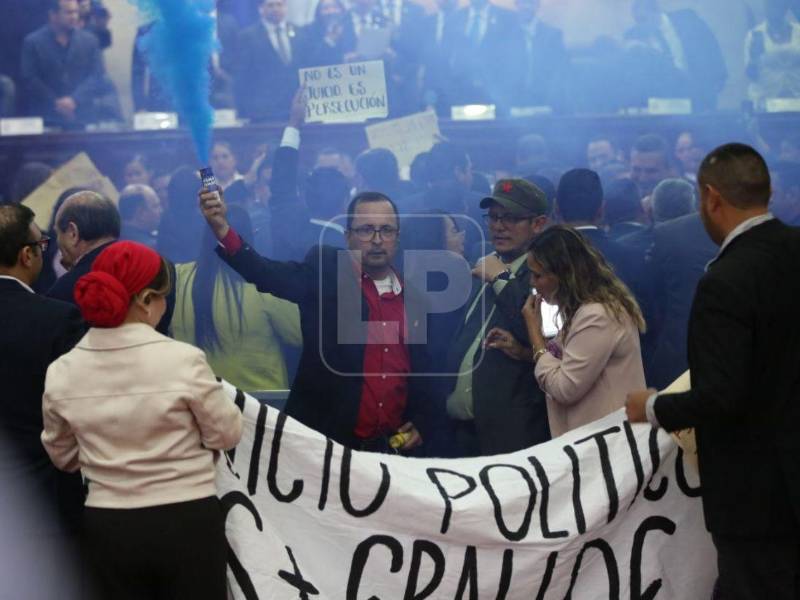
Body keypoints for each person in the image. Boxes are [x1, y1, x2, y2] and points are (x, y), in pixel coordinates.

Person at [626, 143, 800, 599]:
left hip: (756, 496)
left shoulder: (725, 279)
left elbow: (722, 394)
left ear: (710, 197)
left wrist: (654, 406)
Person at [41, 241, 242, 599]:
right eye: (165, 296)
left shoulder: (63, 370)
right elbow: (226, 433)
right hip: (188, 519)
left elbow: (63, 457)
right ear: (147, 300)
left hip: (109, 524)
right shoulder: (183, 359)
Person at [200, 187, 438, 453]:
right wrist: (222, 229)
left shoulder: (415, 300)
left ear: (398, 237)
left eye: (386, 230)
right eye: (366, 229)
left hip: (390, 452)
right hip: (325, 448)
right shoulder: (327, 271)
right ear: (348, 237)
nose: (377, 239)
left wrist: (423, 421)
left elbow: (424, 375)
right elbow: (267, 274)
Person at [489, 225, 645, 437]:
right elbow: (567, 363)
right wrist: (522, 352)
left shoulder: (597, 315)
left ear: (564, 275)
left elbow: (565, 388)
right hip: (597, 438)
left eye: (538, 275)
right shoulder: (584, 308)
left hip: (606, 442)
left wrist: (533, 330)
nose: (532, 283)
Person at [445, 179, 550, 456]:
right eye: (494, 217)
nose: (499, 226)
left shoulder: (549, 273)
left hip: (512, 438)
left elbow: (540, 335)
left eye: (512, 218)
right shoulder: (486, 264)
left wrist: (501, 279)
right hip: (461, 433)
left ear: (538, 224)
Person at [0, 204, 86, 535]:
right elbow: (74, 407)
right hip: (44, 495)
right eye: (41, 244)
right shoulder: (59, 319)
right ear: (26, 255)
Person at [172, 205, 301, 392]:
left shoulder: (178, 278)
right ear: (249, 236)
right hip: (260, 405)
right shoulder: (263, 284)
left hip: (197, 399)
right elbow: (298, 333)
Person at [20, 0, 120, 127]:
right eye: (68, 13)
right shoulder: (33, 42)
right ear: (53, 15)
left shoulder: (90, 41)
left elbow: (97, 75)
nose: (74, 17)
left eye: (76, 12)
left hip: (83, 114)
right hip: (46, 115)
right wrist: (57, 103)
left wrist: (74, 100)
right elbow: (30, 78)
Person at [623, 0, 727, 112]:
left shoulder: (688, 20)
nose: (640, 25)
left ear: (656, 11)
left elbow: (710, 44)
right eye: (637, 21)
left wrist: (719, 76)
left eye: (643, 19)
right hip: (671, 100)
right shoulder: (638, 37)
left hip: (700, 90)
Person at [234, 0, 301, 122]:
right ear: (261, 9)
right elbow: (242, 77)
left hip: (295, 108)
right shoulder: (247, 36)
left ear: (285, 7)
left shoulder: (300, 32)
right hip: (263, 112)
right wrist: (242, 111)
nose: (275, 9)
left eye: (279, 4)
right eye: (270, 5)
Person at [508, 0, 568, 111]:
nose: (526, 7)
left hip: (545, 101)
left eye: (530, 3)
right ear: (516, 4)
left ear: (537, 5)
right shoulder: (505, 36)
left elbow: (560, 72)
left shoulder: (553, 36)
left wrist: (552, 99)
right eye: (522, 2)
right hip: (511, 102)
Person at [745, 0, 800, 106]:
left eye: (777, 4)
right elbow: (751, 75)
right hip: (765, 100)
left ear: (785, 7)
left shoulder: (798, 31)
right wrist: (754, 57)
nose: (773, 9)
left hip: (797, 99)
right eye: (769, 5)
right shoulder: (754, 35)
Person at [629, 133, 675, 199]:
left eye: (651, 171)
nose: (642, 178)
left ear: (669, 171)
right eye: (636, 169)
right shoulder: (618, 199)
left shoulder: (686, 202)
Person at [118, 184, 162, 249]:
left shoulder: (113, 238)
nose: (161, 210)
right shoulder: (152, 248)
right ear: (141, 213)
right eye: (155, 206)